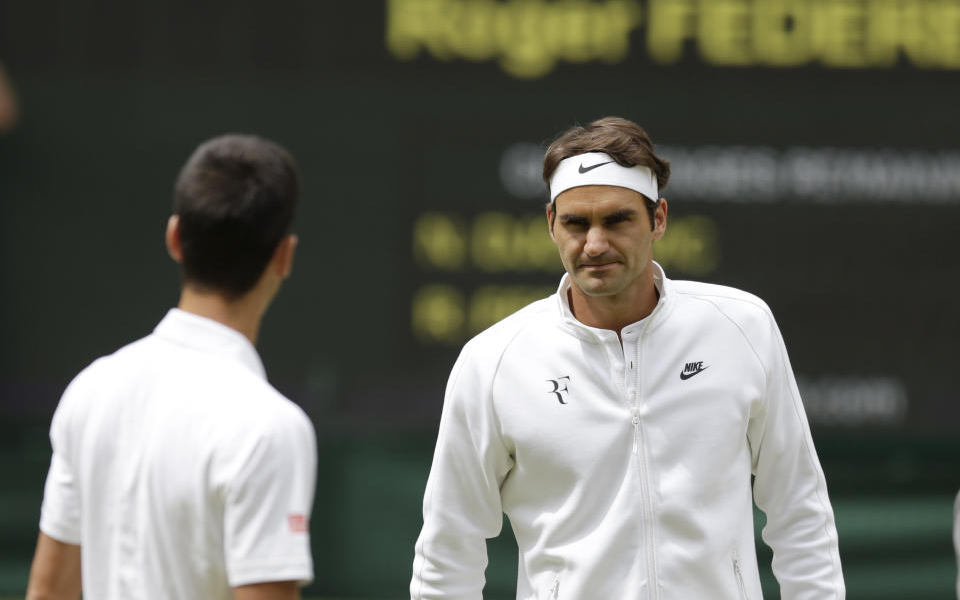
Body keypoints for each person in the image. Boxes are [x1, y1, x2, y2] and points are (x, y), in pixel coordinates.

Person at [411, 117, 844, 599]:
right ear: (551, 224)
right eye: (577, 222)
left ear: (658, 219)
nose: (595, 244)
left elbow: (799, 511)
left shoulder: (743, 327)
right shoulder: (492, 361)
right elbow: (450, 548)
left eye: (617, 220)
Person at [26, 135, 317, 600]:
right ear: (285, 256)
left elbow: (47, 593)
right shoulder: (270, 428)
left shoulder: (90, 391)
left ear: (174, 237)